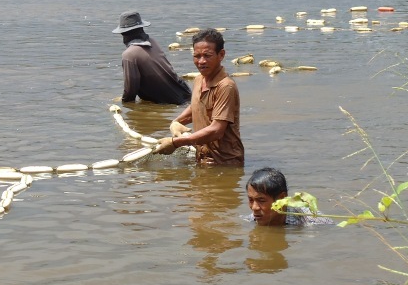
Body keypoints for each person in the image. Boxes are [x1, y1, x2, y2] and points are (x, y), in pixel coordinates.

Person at [154, 28, 244, 166]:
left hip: (225, 162)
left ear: (221, 55)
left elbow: (216, 130)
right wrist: (177, 122)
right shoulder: (199, 80)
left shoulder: (226, 86)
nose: (201, 61)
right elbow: (197, 106)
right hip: (203, 158)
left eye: (207, 56)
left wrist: (175, 143)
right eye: (197, 56)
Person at [112, 11, 191, 105]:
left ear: (124, 34)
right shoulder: (153, 42)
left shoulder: (129, 55)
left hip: (168, 101)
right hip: (185, 93)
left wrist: (126, 105)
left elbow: (131, 90)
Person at [245, 167, 333, 226]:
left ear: (282, 197)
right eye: (250, 200)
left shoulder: (315, 222)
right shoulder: (249, 220)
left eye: (261, 200)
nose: (254, 208)